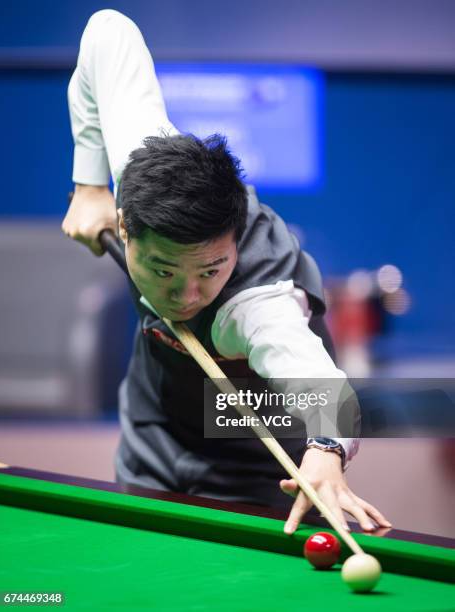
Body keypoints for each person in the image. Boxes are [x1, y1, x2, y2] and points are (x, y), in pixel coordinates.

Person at [63, 10, 391, 534]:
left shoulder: (259, 304)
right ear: (126, 228)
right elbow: (107, 31)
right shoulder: (141, 165)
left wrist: (327, 450)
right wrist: (89, 184)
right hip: (154, 434)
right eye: (163, 270)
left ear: (234, 242)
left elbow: (314, 374)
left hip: (255, 462)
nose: (187, 295)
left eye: (211, 270)